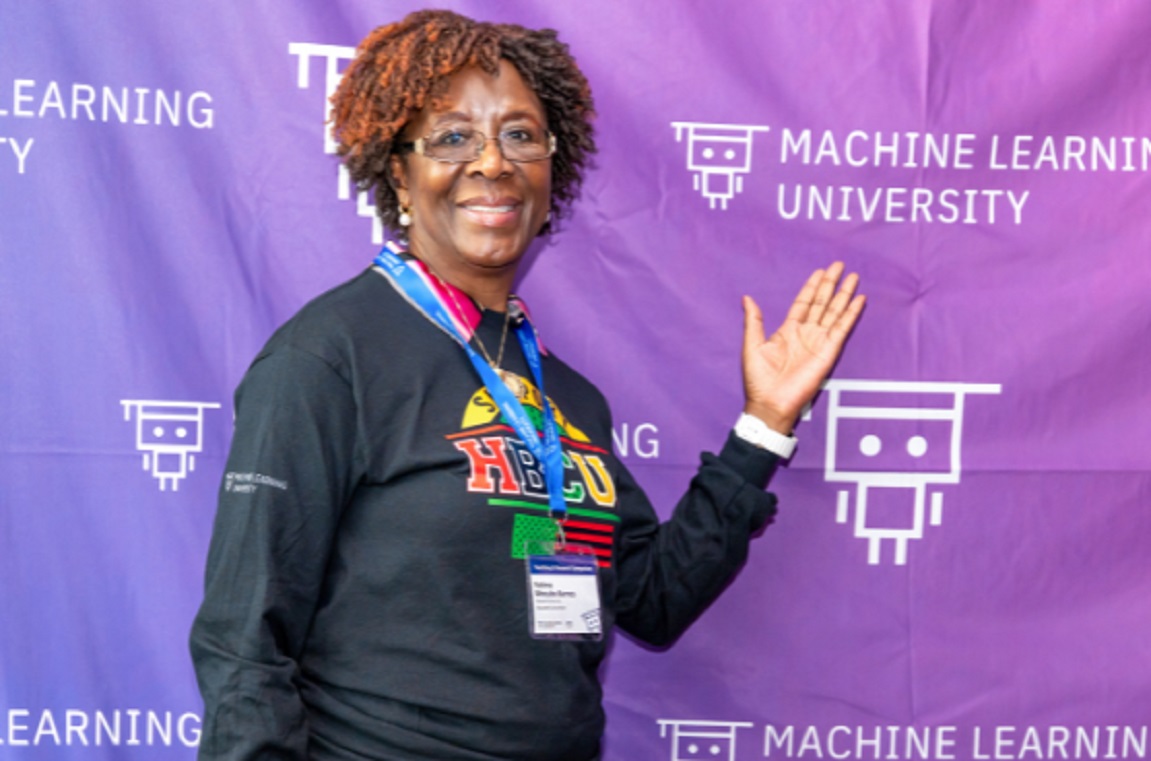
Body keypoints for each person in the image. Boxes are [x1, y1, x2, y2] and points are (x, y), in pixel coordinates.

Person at [189, 9, 865, 761]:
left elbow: (653, 598)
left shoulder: (566, 400)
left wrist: (763, 424)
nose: (492, 162)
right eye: (452, 136)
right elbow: (245, 638)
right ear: (399, 178)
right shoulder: (326, 360)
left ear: (553, 171)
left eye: (520, 134)